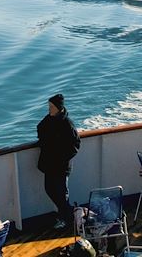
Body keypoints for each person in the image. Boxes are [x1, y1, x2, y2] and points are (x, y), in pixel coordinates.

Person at [37, 93, 81, 229]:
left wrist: (61, 157)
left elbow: (75, 145)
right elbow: (40, 127)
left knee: (62, 194)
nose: (49, 109)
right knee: (49, 189)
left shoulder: (67, 124)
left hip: (61, 166)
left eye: (51, 106)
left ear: (58, 108)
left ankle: (67, 219)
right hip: (49, 164)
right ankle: (70, 214)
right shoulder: (49, 120)